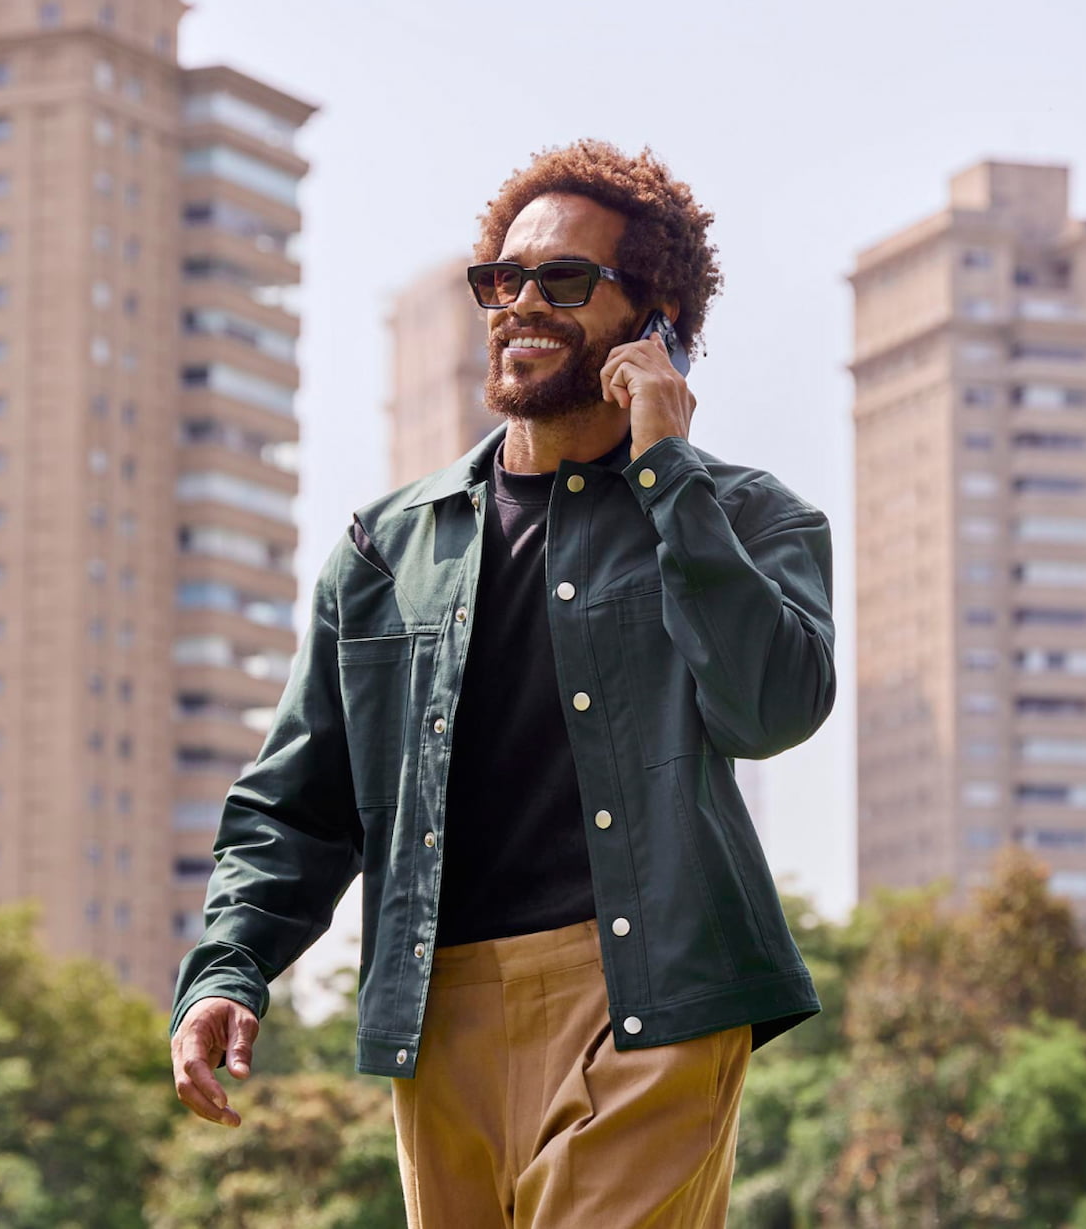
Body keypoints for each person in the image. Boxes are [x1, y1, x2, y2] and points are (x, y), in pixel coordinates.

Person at [169, 138, 837, 1228]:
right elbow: (296, 801)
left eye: (563, 280)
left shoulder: (749, 515)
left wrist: (666, 468)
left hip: (653, 992)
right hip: (438, 1007)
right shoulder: (384, 549)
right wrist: (226, 966)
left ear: (653, 312)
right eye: (503, 280)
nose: (520, 303)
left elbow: (771, 709)